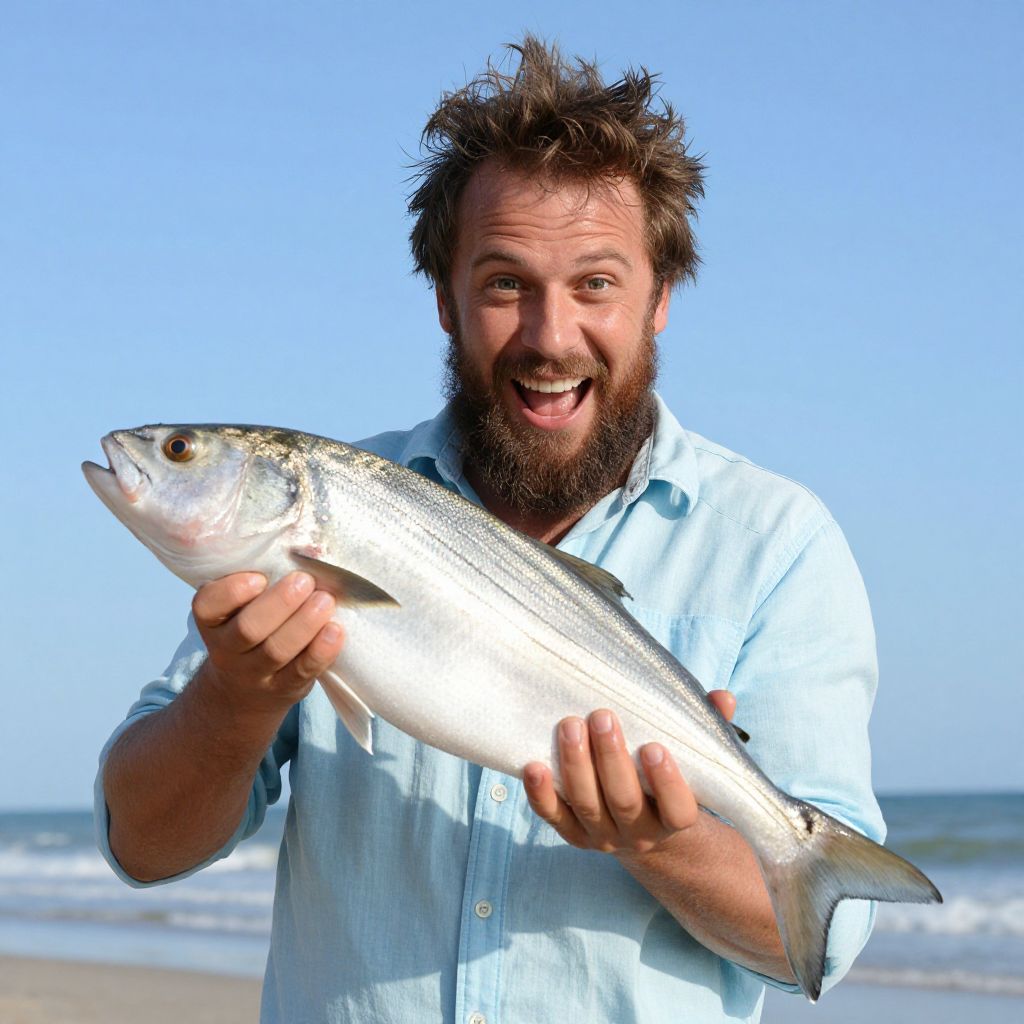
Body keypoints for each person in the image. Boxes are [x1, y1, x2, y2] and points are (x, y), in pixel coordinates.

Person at [96, 37, 884, 1023]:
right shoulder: (334, 512)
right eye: (505, 282)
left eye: (595, 282)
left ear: (659, 300)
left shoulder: (775, 543)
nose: (550, 338)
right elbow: (140, 842)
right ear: (445, 301)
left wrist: (658, 840)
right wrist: (229, 703)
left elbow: (819, 944)